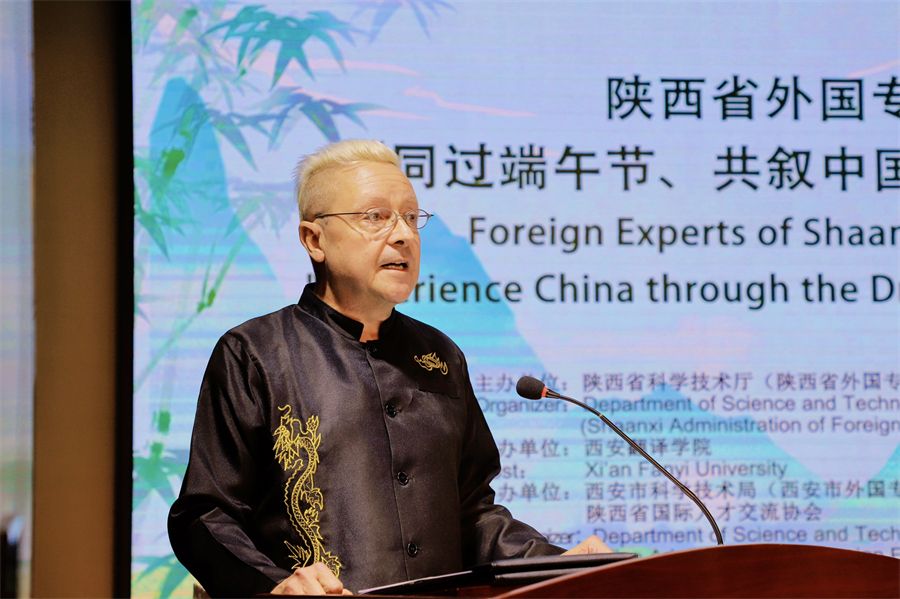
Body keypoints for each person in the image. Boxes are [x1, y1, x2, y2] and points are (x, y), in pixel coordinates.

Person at [168, 140, 610, 597]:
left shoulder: (441, 357)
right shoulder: (256, 353)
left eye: (411, 217)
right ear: (314, 240)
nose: (403, 235)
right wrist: (276, 585)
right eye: (375, 216)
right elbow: (204, 516)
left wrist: (555, 565)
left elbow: (472, 514)